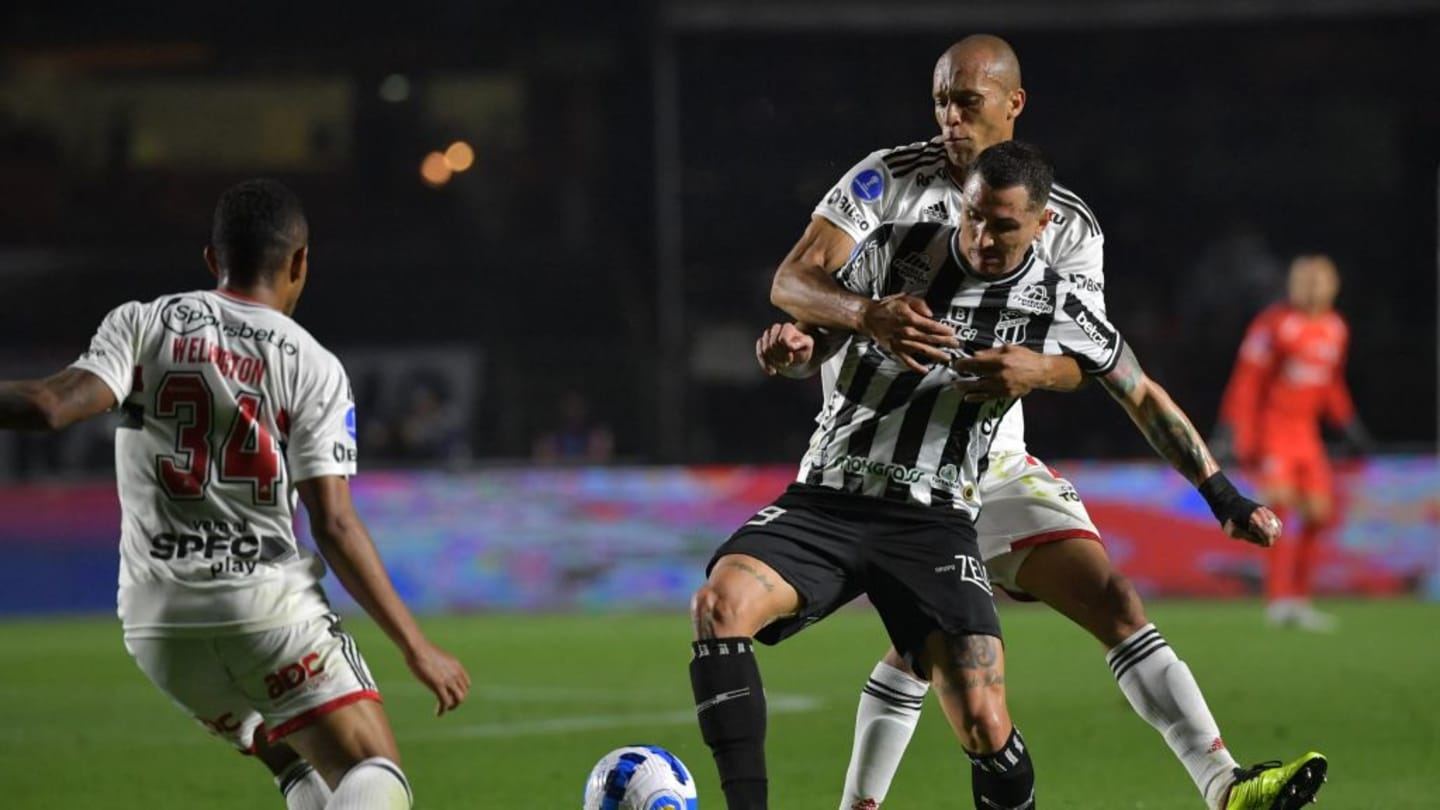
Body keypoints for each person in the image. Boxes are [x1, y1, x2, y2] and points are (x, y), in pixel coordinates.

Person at [765, 36, 1326, 810]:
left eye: (967, 102)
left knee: (1110, 600)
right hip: (883, 464)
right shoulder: (887, 181)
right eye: (940, 101)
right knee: (922, 650)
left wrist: (1218, 490)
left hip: (993, 465)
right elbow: (800, 287)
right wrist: (815, 338)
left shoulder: (1068, 228)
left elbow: (1095, 362)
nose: (948, 119)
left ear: (1012, 105)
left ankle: (1224, 785)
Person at [0, 179, 470, 809]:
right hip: (265, 613)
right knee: (374, 772)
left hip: (156, 627)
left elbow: (51, 407)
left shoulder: (144, 323)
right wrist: (417, 647)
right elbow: (334, 525)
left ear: (211, 260)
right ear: (300, 262)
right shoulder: (313, 365)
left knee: (302, 773)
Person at [1216, 254, 1367, 631]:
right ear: (1294, 284)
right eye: (1307, 280)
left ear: (1334, 285)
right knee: (1276, 514)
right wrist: (1233, 430)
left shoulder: (1336, 328)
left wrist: (1348, 424)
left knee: (1318, 513)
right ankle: (1279, 600)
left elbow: (1330, 383)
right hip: (1274, 431)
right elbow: (1248, 380)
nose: (1314, 287)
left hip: (1307, 435)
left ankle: (1300, 598)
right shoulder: (1274, 324)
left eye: (1321, 280)